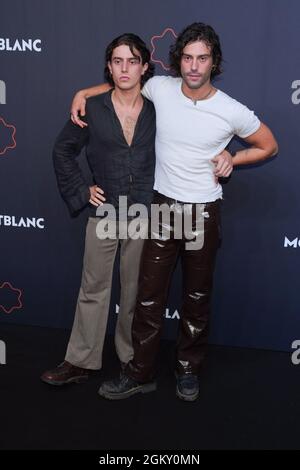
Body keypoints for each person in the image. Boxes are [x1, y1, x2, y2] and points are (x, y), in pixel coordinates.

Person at [70, 22, 278, 401]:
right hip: (162, 207)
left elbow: (269, 145)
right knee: (148, 297)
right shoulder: (160, 88)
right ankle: (140, 373)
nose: (194, 66)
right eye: (187, 58)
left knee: (196, 297)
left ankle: (187, 370)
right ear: (177, 61)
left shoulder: (231, 109)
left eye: (202, 58)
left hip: (202, 211)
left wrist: (234, 156)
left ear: (214, 62)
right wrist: (84, 92)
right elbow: (121, 86)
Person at [41, 33, 157, 386]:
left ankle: (131, 360)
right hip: (104, 212)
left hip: (143, 211)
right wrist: (81, 189)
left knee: (135, 291)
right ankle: (80, 360)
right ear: (109, 67)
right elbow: (62, 150)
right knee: (93, 288)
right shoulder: (91, 107)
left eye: (132, 61)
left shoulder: (159, 105)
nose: (125, 68)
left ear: (144, 67)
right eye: (118, 61)